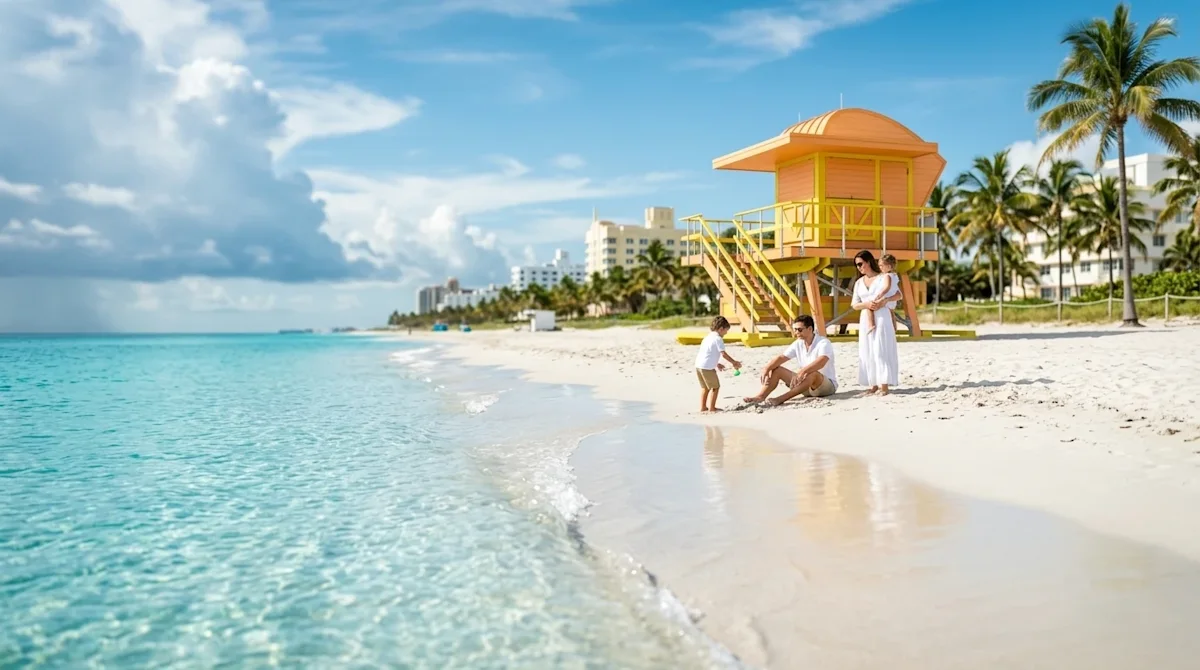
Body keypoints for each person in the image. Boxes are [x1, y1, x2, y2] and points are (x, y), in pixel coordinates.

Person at [742, 314, 837, 407]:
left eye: (799, 330)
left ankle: (781, 399)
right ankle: (760, 397)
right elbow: (782, 357)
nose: (796, 333)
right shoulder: (798, 343)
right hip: (805, 385)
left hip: (825, 386)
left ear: (810, 329)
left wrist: (802, 371)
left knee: (812, 373)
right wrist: (767, 368)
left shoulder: (823, 342)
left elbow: (822, 361)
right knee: (777, 369)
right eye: (795, 329)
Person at [851, 250, 900, 396]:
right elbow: (854, 304)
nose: (859, 267)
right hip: (866, 317)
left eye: (860, 264)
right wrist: (866, 304)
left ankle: (884, 385)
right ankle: (873, 384)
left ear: (868, 261)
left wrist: (885, 300)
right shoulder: (859, 282)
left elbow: (898, 295)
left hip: (882, 316)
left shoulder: (883, 277)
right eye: (857, 265)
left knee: (880, 349)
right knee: (867, 350)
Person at [695, 316, 742, 413]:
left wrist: (717, 364)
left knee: (705, 387)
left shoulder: (707, 337)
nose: (726, 333)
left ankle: (703, 407)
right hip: (707, 368)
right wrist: (734, 362)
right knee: (715, 387)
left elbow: (707, 353)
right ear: (721, 329)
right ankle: (712, 408)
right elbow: (723, 354)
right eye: (726, 330)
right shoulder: (718, 339)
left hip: (699, 366)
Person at [865, 254, 900, 333]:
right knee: (891, 313)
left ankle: (871, 324)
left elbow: (886, 287)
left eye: (881, 266)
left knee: (869, 307)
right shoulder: (894, 275)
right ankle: (894, 328)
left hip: (885, 296)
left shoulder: (887, 276)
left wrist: (880, 295)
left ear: (889, 267)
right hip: (891, 298)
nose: (880, 268)